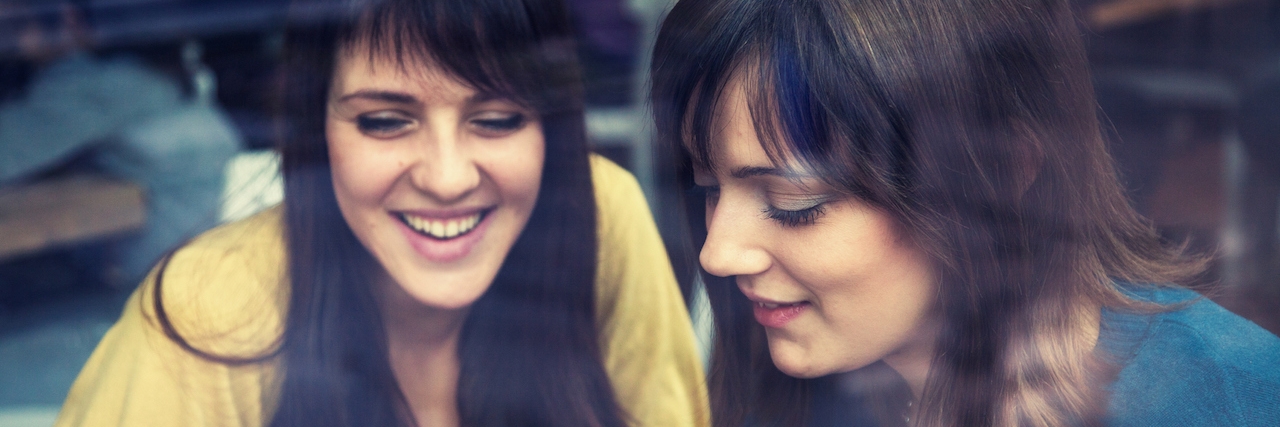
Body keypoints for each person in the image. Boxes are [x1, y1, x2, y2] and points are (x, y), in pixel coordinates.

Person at [54, 0, 708, 426]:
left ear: (553, 128)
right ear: (315, 132)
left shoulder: (605, 218)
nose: (447, 177)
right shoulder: (206, 318)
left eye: (498, 118)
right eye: (386, 121)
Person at [648, 0, 1280, 426]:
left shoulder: (1226, 399)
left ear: (998, 179)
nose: (717, 253)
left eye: (794, 204)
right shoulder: (828, 383)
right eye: (708, 188)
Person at [0, 0, 240, 286]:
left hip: (140, 284)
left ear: (69, 17)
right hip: (172, 268)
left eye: (16, 26)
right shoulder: (144, 71)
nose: (9, 42)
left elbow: (9, 150)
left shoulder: (103, 82)